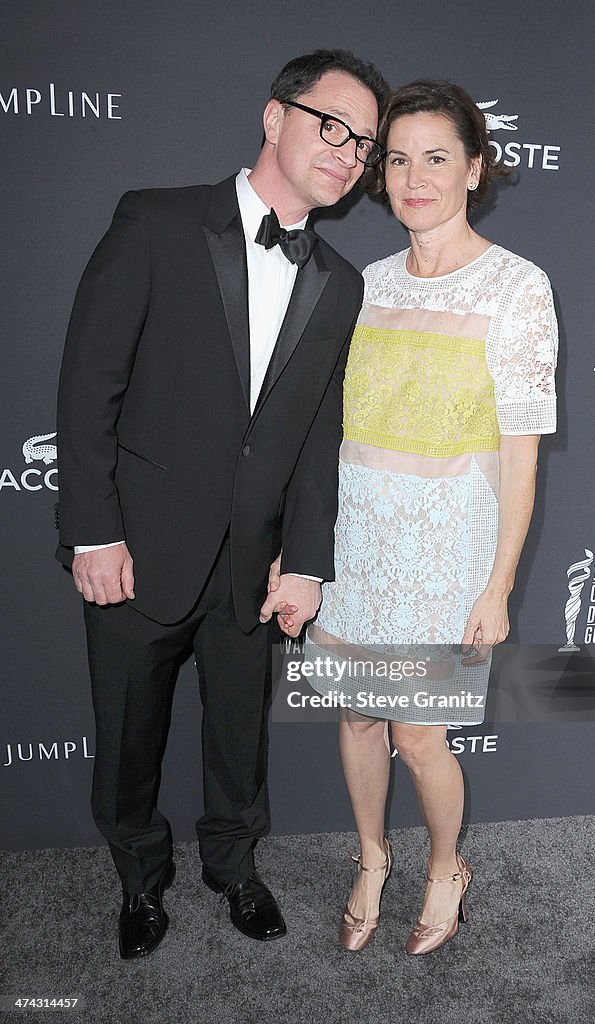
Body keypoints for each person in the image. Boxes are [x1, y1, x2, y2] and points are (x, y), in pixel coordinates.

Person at [56, 49, 387, 960]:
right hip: (136, 550)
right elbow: (89, 389)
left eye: (364, 143)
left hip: (254, 562)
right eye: (333, 125)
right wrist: (93, 530)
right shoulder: (156, 222)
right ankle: (139, 879)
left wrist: (308, 558)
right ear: (274, 116)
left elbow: (318, 434)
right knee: (128, 740)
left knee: (239, 739)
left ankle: (234, 869)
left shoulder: (342, 282)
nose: (349, 153)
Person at [271, 79, 557, 954]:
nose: (413, 177)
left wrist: (497, 584)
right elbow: (325, 430)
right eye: (396, 159)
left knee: (419, 735)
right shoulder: (364, 283)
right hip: (356, 540)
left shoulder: (517, 287)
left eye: (436, 158)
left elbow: (520, 451)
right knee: (357, 717)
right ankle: (371, 856)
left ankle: (444, 867)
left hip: (444, 550)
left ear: (475, 168)